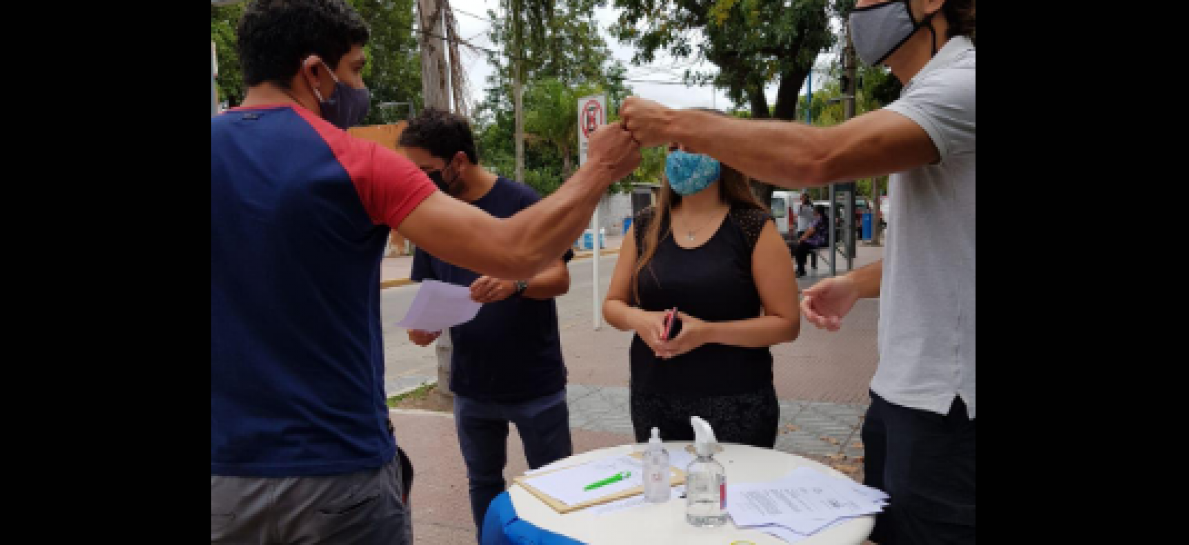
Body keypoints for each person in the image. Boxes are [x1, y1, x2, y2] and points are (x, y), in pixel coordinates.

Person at [210, 1, 641, 543]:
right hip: (337, 474)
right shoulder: (359, 162)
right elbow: (517, 247)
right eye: (356, 69)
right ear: (315, 72)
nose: (359, 86)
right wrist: (599, 167)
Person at [617, 1, 975, 542]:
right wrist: (857, 282)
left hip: (950, 405)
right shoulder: (924, 97)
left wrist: (673, 121)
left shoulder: (963, 85)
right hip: (903, 394)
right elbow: (947, 246)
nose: (856, 12)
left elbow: (818, 157)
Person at [397, 108, 575, 536]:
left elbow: (559, 276)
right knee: (484, 485)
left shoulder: (521, 203)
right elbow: (431, 290)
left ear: (458, 161)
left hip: (536, 384)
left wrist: (516, 283)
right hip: (473, 387)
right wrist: (423, 327)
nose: (420, 183)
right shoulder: (432, 215)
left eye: (426, 171)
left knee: (556, 488)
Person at [602, 122, 802, 448]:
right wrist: (640, 320)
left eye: (694, 146)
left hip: (737, 401)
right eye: (674, 148)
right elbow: (612, 304)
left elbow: (786, 324)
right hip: (654, 399)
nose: (682, 156)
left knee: (732, 496)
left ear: (725, 154)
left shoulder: (753, 227)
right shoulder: (645, 226)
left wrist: (707, 332)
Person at [792, 204, 829, 277]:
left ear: (817, 211)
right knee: (800, 247)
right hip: (820, 240)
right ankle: (801, 268)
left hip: (819, 241)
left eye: (814, 210)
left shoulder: (819, 219)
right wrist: (802, 238)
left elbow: (811, 231)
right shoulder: (823, 218)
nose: (813, 211)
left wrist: (801, 239)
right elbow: (809, 230)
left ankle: (801, 269)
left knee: (799, 247)